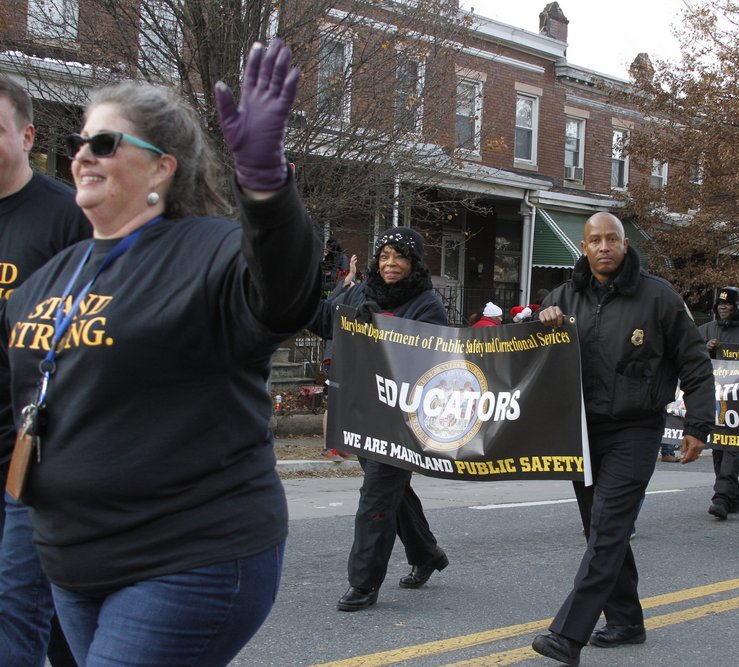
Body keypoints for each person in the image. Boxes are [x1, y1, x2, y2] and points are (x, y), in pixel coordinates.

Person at [0, 40, 321, 663]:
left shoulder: (211, 251)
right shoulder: (49, 278)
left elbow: (284, 297)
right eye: (79, 144)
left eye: (105, 144)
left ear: (163, 167)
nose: (82, 158)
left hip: (188, 553)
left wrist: (266, 187)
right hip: (72, 558)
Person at [531, 212, 715, 667]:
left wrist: (698, 425)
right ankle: (627, 621)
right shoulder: (563, 296)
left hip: (636, 428)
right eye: (595, 240)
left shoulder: (658, 297)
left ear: (625, 244)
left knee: (609, 529)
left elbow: (694, 361)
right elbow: (531, 358)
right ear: (584, 246)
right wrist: (541, 322)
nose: (604, 247)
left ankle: (567, 635)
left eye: (612, 239)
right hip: (581, 431)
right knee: (601, 531)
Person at [312, 226, 449, 612]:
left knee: (376, 495)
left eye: (399, 257)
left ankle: (364, 583)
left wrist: (384, 332)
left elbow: (433, 363)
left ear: (414, 262)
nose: (390, 264)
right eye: (384, 256)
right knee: (392, 492)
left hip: (400, 420)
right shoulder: (361, 292)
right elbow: (323, 320)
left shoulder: (427, 305)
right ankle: (427, 554)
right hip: (361, 412)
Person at [0, 75, 89, 667]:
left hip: (31, 449)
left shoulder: (65, 218)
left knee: (14, 604)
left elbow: (97, 332)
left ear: (27, 135)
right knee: (44, 609)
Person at [698, 286, 739, 520]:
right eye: (720, 304)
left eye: (729, 304)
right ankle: (732, 497)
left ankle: (721, 498)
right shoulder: (705, 330)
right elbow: (689, 356)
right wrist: (704, 350)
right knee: (718, 449)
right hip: (715, 401)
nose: (724, 307)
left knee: (733, 448)